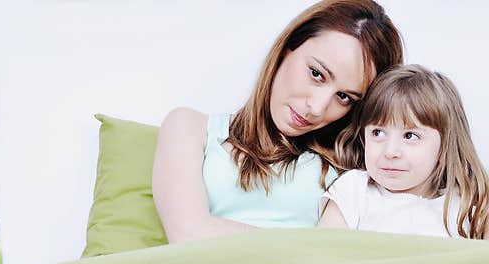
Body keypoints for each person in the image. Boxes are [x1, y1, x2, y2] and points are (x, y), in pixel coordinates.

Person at [152, 0, 404, 244]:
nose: (316, 108)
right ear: (286, 50)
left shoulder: (354, 166)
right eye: (316, 74)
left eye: (344, 97)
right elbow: (187, 234)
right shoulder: (189, 127)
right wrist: (306, 246)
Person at [317, 65, 489, 241]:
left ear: (446, 145)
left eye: (410, 136)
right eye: (378, 133)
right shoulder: (355, 190)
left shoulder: (460, 198)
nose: (390, 152)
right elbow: (328, 251)